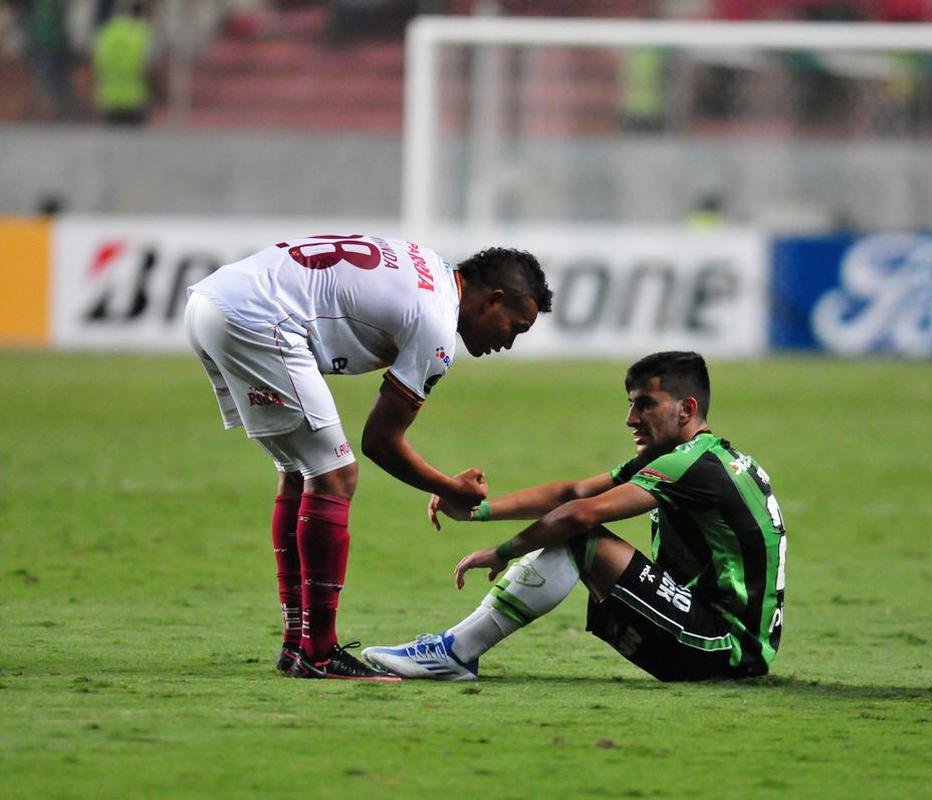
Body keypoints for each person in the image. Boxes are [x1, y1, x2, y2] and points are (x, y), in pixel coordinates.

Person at [184, 234, 552, 680]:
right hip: (257, 318)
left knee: (302, 472)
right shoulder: (436, 321)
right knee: (335, 475)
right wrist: (450, 488)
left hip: (213, 303)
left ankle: (297, 645)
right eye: (516, 326)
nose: (509, 343)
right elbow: (380, 441)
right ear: (493, 300)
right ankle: (317, 654)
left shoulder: (430, 267)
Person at [362, 351, 787, 682]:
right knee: (573, 525)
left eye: (644, 405)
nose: (630, 419)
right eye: (630, 405)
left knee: (577, 535)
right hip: (729, 641)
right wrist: (476, 510)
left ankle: (455, 652)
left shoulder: (690, 464)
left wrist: (503, 551)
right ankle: (456, 652)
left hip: (722, 647)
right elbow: (572, 492)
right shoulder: (696, 458)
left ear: (686, 408)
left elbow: (578, 513)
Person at [91, 0, 155, 125]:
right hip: (135, 99)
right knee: (136, 143)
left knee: (111, 141)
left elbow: (97, 62)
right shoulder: (144, 33)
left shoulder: (107, 32)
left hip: (109, 98)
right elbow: (150, 66)